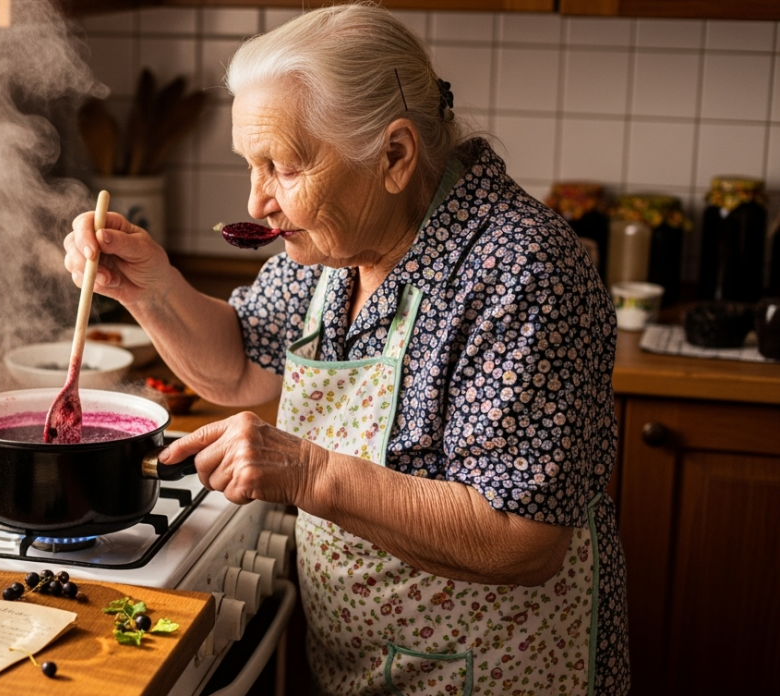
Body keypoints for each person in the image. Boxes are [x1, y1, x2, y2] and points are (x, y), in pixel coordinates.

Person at [64, 5, 629, 694]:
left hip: (497, 672)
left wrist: (307, 473)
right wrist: (149, 289)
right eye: (252, 166)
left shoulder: (522, 273)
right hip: (365, 660)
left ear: (393, 156)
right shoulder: (329, 247)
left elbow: (525, 539)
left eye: (283, 166)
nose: (259, 200)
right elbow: (241, 362)